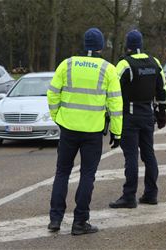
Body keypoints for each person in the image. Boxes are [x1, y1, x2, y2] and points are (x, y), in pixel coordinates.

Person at [47, 28, 123, 235]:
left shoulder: (67, 64)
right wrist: (117, 133)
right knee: (87, 175)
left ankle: (55, 219)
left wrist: (58, 117)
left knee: (62, 172)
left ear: (84, 44)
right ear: (101, 46)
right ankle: (80, 222)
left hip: (68, 128)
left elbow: (52, 94)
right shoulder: (108, 69)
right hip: (93, 132)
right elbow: (115, 104)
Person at [109, 30, 166, 209]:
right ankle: (151, 194)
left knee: (131, 157)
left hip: (130, 116)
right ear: (141, 44)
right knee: (149, 154)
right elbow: (162, 88)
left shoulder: (124, 64)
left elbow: (113, 90)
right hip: (148, 115)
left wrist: (110, 118)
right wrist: (162, 112)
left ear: (127, 45)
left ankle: (129, 196)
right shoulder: (154, 62)